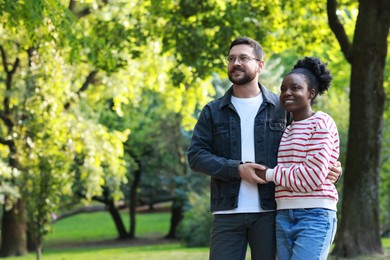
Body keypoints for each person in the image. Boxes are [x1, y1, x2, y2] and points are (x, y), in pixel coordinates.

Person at [187, 37, 341, 260]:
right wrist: (237, 169)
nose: (236, 63)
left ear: (260, 65)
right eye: (231, 58)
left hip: (272, 211)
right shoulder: (213, 111)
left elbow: (309, 144)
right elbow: (196, 156)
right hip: (226, 212)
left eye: (243, 58)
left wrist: (334, 166)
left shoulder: (282, 107)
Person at [255, 56, 339, 260]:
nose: (286, 93)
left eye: (295, 88)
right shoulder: (286, 128)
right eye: (283, 89)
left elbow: (312, 177)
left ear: (311, 93)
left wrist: (269, 174)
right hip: (283, 214)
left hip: (315, 214)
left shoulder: (322, 122)